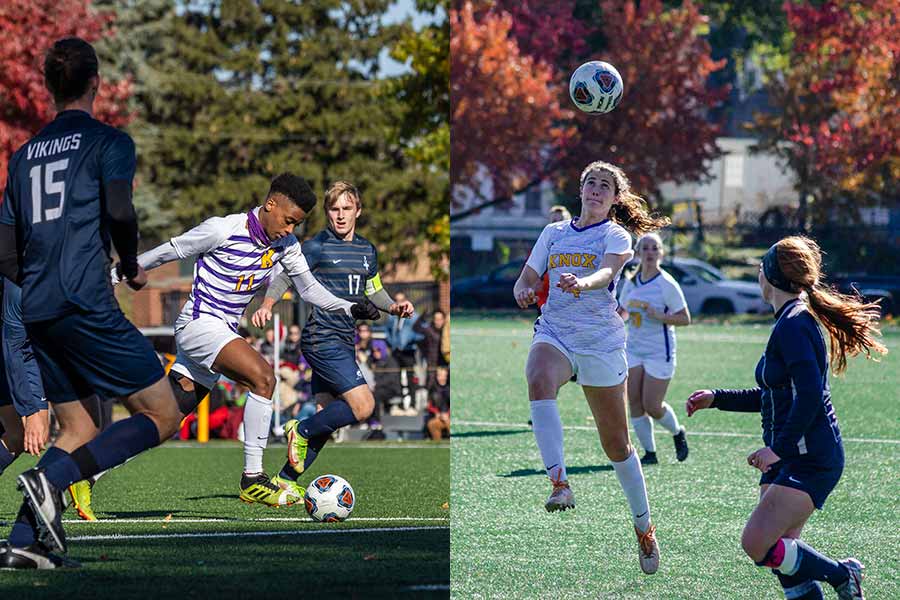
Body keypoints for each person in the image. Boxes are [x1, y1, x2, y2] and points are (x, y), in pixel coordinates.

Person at [0, 37, 183, 569]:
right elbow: (121, 212)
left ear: (51, 88)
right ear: (95, 83)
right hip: (85, 302)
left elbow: (4, 250)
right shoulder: (109, 142)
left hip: (37, 310)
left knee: (78, 427)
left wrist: (40, 283)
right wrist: (128, 265)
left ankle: (21, 542)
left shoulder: (23, 156)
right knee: (163, 412)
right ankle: (50, 480)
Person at [111, 173, 380, 507]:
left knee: (162, 421)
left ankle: (87, 472)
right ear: (270, 204)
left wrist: (350, 307)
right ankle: (253, 478)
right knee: (263, 377)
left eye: (296, 224)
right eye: (288, 220)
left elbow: (310, 290)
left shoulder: (286, 246)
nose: (289, 230)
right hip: (199, 325)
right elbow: (171, 251)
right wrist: (115, 275)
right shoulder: (223, 229)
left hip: (220, 333)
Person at [686, 236, 884, 600]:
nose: (758, 274)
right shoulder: (790, 319)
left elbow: (810, 394)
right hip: (793, 453)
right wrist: (718, 399)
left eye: (761, 267)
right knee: (783, 556)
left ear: (772, 276)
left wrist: (777, 449)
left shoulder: (794, 322)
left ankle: (843, 573)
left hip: (810, 456)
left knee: (757, 544)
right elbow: (777, 396)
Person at [512, 159, 670, 575]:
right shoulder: (553, 233)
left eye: (605, 186)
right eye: (591, 183)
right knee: (538, 376)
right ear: (580, 191)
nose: (597, 190)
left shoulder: (615, 234)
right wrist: (525, 290)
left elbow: (606, 273)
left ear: (615, 198)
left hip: (600, 343)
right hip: (556, 332)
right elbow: (525, 278)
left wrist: (581, 283)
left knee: (617, 445)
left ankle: (643, 527)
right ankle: (559, 483)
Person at [253, 180, 413, 485]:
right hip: (321, 337)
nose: (340, 215)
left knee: (326, 417)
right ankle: (299, 430)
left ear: (358, 211)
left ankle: (284, 481)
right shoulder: (316, 246)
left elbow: (374, 290)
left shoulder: (367, 250)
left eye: (346, 208)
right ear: (327, 213)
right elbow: (286, 277)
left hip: (344, 339)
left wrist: (394, 308)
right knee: (364, 406)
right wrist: (268, 304)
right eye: (334, 209)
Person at [617, 232, 691, 465]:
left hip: (660, 351)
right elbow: (623, 311)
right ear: (637, 253)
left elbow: (685, 318)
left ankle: (678, 431)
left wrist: (659, 316)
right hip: (634, 349)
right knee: (635, 403)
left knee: (652, 405)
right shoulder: (630, 281)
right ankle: (650, 453)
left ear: (661, 253)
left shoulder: (666, 283)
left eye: (654, 248)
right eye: (645, 248)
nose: (649, 252)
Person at [425, 366, 450, 440]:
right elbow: (429, 405)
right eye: (439, 375)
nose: (441, 378)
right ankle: (438, 444)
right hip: (439, 417)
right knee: (432, 424)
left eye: (444, 375)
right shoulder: (433, 389)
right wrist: (437, 413)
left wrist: (447, 414)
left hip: (450, 417)